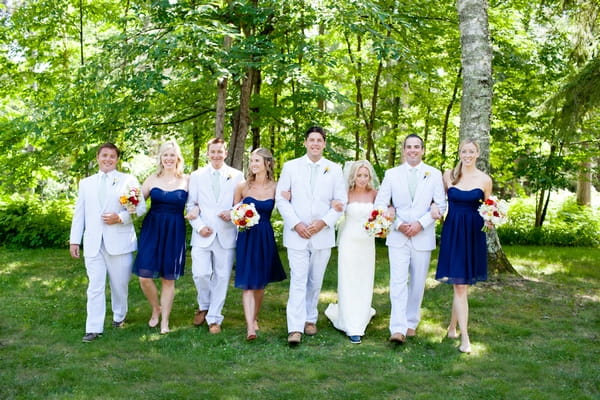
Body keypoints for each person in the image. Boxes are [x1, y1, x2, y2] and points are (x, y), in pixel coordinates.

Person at [276, 126, 347, 345]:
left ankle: (310, 318)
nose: (315, 144)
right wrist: (296, 224)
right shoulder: (290, 167)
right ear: (305, 143)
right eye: (311, 140)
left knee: (315, 280)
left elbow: (340, 202)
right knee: (298, 280)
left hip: (322, 234)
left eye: (319, 140)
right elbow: (281, 199)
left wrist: (323, 223)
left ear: (324, 144)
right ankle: (295, 327)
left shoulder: (334, 169)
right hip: (297, 234)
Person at [69, 142, 146, 343]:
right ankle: (93, 327)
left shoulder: (128, 180)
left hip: (119, 240)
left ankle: (119, 316)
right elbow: (80, 214)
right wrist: (74, 240)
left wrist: (120, 217)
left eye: (112, 156)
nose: (108, 159)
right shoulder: (86, 183)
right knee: (95, 286)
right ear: (97, 157)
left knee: (119, 285)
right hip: (94, 242)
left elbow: (139, 209)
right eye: (104, 155)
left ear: (117, 159)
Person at [374, 134, 446, 344]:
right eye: (409, 147)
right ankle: (397, 328)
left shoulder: (433, 174)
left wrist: (420, 224)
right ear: (403, 150)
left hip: (422, 236)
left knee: (417, 283)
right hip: (398, 236)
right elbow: (380, 203)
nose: (413, 150)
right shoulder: (392, 174)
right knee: (397, 282)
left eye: (417, 147)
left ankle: (411, 322)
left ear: (422, 150)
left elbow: (440, 206)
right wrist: (397, 223)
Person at [435, 139, 492, 354]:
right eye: (464, 151)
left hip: (473, 233)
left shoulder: (485, 180)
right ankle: (464, 337)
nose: (467, 155)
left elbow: (489, 208)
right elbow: (439, 201)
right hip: (453, 231)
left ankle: (452, 328)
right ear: (459, 153)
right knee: (459, 286)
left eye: (471, 151)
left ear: (477, 154)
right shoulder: (448, 175)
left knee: (461, 284)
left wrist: (491, 219)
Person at [133, 140, 192, 335]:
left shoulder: (187, 180)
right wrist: (128, 203)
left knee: (168, 279)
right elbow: (137, 203)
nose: (168, 158)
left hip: (174, 229)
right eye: (165, 155)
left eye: (172, 155)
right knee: (144, 276)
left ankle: (164, 321)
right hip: (153, 228)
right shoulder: (151, 179)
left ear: (178, 158)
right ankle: (155, 308)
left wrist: (197, 209)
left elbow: (196, 203)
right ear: (161, 158)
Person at [187, 138, 243, 334]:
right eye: (213, 151)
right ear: (208, 153)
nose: (217, 155)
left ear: (225, 153)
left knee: (221, 277)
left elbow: (240, 204)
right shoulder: (196, 176)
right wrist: (199, 226)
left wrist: (233, 213)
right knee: (200, 273)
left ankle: (214, 318)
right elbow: (190, 204)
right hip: (203, 234)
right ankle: (204, 305)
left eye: (220, 151)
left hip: (226, 233)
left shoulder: (237, 176)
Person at [233, 148, 287, 341]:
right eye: (251, 161)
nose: (253, 164)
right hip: (247, 236)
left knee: (260, 284)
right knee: (248, 282)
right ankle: (250, 328)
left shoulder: (276, 187)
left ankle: (254, 317)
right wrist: (237, 216)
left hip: (265, 235)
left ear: (267, 164)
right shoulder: (242, 187)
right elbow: (234, 211)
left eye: (257, 161)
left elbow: (287, 206)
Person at [324, 160, 379, 344]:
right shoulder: (345, 194)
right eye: (359, 175)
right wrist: (334, 204)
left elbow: (383, 212)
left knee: (364, 279)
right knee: (348, 279)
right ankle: (350, 324)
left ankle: (361, 316)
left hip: (367, 243)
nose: (362, 179)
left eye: (365, 175)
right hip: (349, 241)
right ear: (353, 176)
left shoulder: (374, 194)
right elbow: (335, 209)